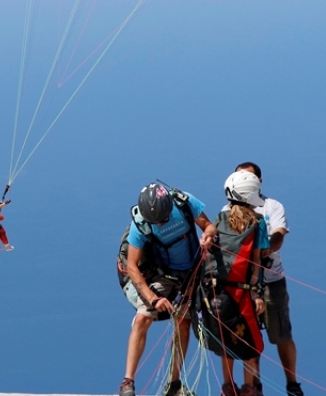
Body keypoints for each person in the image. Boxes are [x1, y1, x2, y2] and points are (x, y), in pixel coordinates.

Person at [119, 182, 217, 396]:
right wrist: (153, 299)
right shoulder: (140, 224)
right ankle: (128, 382)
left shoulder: (184, 203)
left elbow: (208, 226)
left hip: (194, 271)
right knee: (142, 319)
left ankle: (173, 384)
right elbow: (132, 267)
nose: (160, 224)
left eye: (163, 219)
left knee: (183, 322)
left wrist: (208, 236)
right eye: (156, 222)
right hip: (165, 275)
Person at [200, 170, 270, 396]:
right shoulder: (258, 224)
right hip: (243, 296)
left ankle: (228, 389)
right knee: (251, 347)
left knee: (226, 345)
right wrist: (257, 294)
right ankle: (249, 389)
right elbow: (257, 261)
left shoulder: (218, 220)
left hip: (216, 295)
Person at [236, 161, 303, 396]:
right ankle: (255, 386)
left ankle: (292, 384)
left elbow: (278, 236)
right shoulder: (228, 212)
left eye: (248, 177)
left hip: (272, 281)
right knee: (249, 337)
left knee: (281, 334)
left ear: (259, 182)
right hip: (243, 284)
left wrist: (262, 251)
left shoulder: (272, 206)